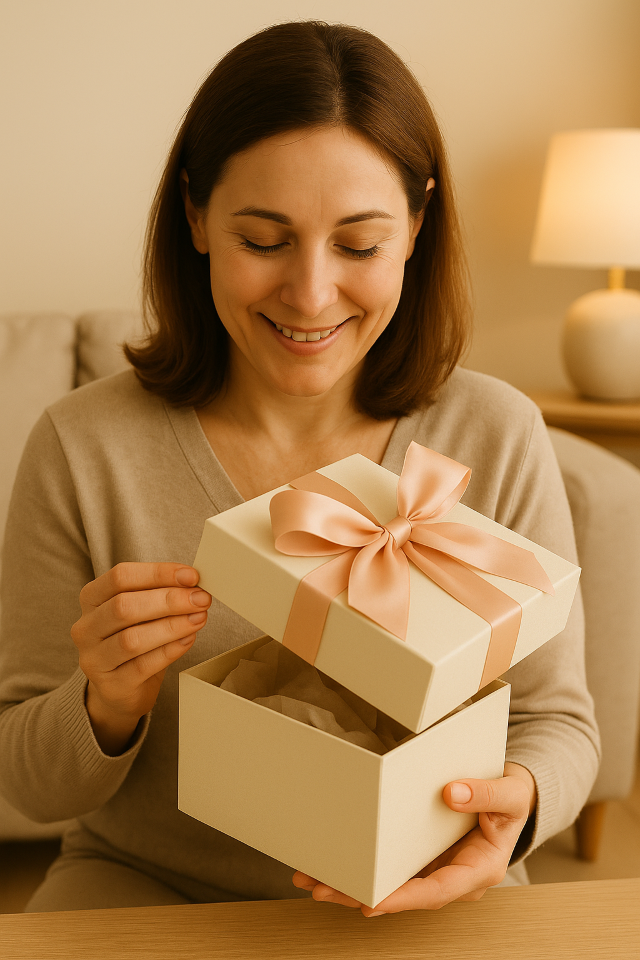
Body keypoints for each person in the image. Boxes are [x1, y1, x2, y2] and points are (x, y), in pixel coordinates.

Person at [0, 21, 599, 916]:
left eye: (358, 245)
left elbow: (559, 724)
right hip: (151, 882)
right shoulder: (84, 446)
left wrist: (510, 811)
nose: (311, 294)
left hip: (430, 889)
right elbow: (29, 780)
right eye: (265, 241)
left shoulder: (496, 431)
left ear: (417, 226)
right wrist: (103, 705)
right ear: (197, 216)